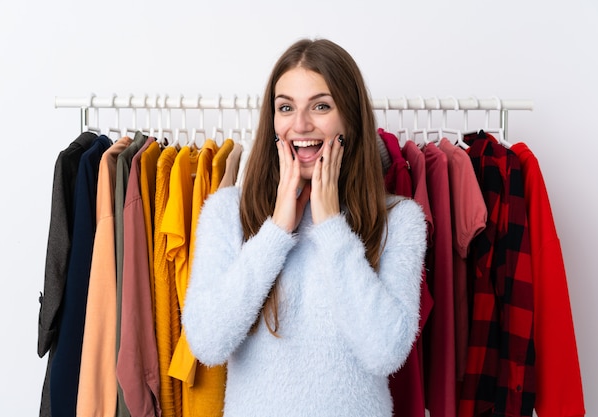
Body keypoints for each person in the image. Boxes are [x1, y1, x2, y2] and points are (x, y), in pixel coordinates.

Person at [182, 38, 427, 417]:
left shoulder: (400, 220)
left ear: (350, 116)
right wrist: (276, 232)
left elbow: (385, 353)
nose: (300, 124)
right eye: (286, 108)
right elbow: (207, 343)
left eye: (321, 106)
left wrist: (331, 228)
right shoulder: (226, 211)